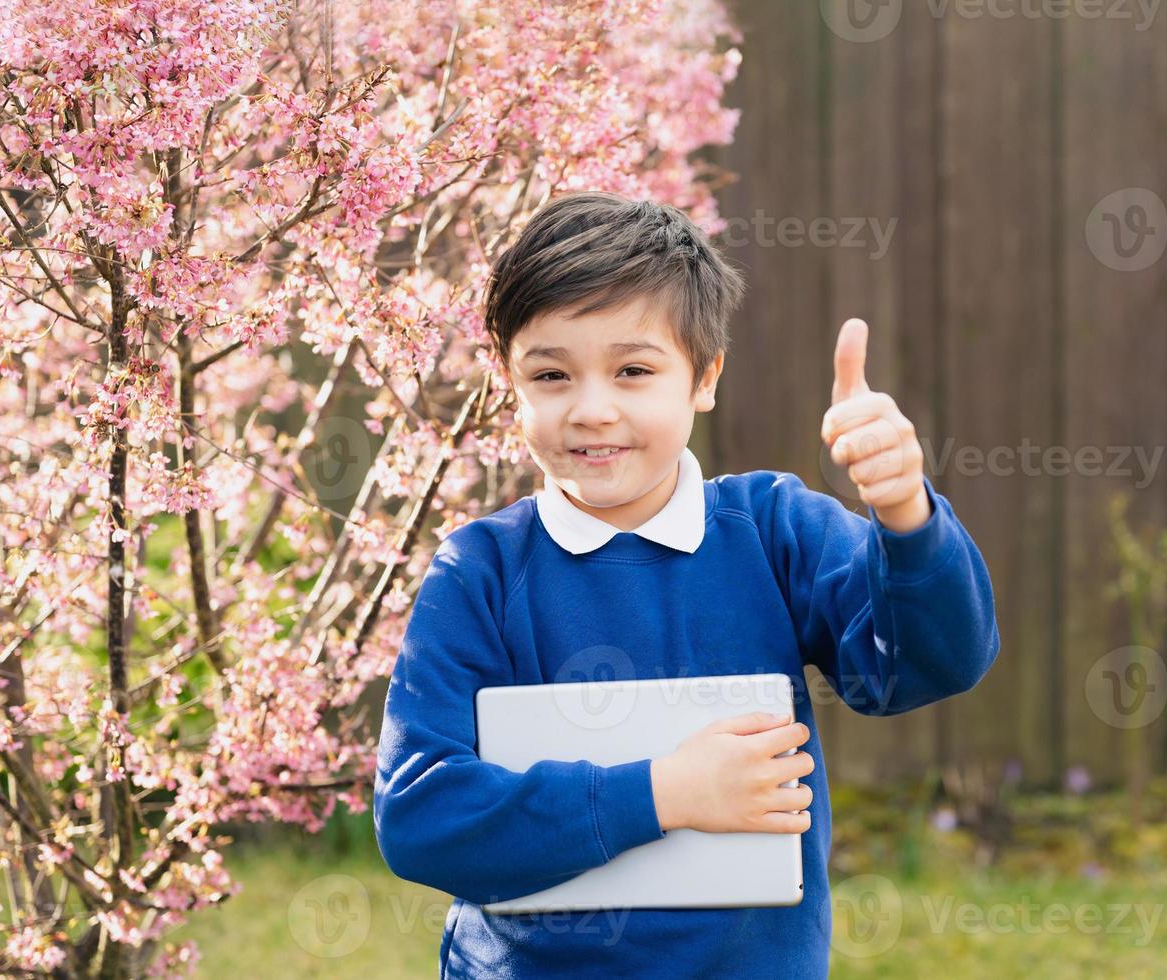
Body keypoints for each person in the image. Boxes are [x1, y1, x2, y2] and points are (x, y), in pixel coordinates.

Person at [373, 190, 1000, 978]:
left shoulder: (773, 530)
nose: (592, 410)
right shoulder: (479, 574)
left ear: (704, 377)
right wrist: (667, 792)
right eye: (552, 374)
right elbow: (423, 818)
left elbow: (928, 662)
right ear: (510, 383)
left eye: (634, 370)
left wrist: (906, 511)